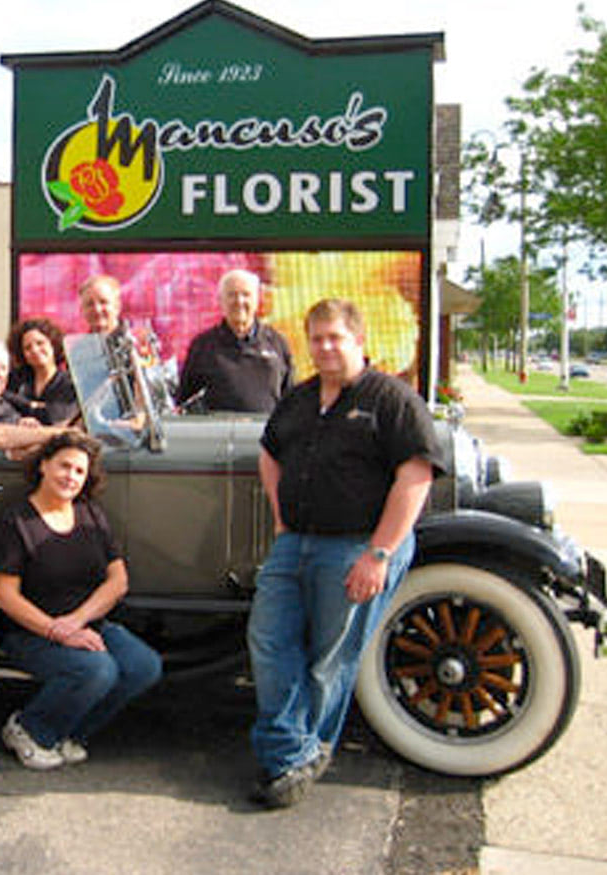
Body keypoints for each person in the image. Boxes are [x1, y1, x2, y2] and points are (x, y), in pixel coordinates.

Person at [247, 298, 443, 808]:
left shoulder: (392, 399)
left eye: (336, 337)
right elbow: (269, 452)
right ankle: (296, 750)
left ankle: (292, 757)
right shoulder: (300, 398)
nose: (326, 347)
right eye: (317, 339)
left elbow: (415, 475)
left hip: (358, 544)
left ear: (359, 340)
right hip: (295, 541)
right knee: (268, 641)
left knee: (329, 658)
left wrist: (378, 554)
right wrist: (280, 513)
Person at [0, 432, 162, 770]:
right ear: (43, 465)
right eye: (64, 466)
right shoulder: (17, 522)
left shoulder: (90, 515)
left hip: (85, 625)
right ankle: (29, 730)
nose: (71, 476)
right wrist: (58, 631)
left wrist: (78, 621)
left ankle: (68, 732)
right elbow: (4, 596)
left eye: (80, 471)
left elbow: (118, 580)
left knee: (144, 666)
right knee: (97, 670)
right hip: (31, 632)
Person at [175, 269, 293, 413]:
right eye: (232, 295)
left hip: (268, 433)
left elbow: (290, 400)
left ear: (257, 300)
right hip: (218, 434)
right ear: (221, 301)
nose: (239, 301)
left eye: (246, 294)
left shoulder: (277, 343)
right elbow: (183, 402)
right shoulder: (203, 346)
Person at [7, 318, 78, 425]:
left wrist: (25, 407)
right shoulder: (18, 380)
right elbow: (4, 403)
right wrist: (31, 405)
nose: (35, 350)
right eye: (28, 347)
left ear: (53, 344)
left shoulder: (70, 382)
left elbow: (57, 415)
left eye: (40, 343)